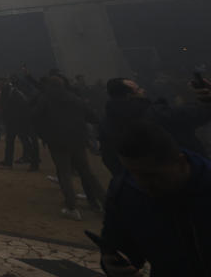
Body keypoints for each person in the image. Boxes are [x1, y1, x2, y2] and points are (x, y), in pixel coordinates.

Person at [98, 121, 211, 276]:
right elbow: (120, 245)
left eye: (151, 175)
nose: (142, 184)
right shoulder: (125, 192)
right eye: (133, 172)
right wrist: (112, 265)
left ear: (181, 162)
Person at [99, 76, 211, 176]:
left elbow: (109, 158)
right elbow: (196, 114)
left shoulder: (106, 124)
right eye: (138, 89)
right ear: (129, 95)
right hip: (180, 176)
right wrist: (205, 97)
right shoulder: (153, 113)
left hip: (143, 186)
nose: (143, 90)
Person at [31, 76, 106, 220]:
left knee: (64, 174)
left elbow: (34, 116)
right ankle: (106, 203)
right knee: (87, 173)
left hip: (57, 141)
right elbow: (93, 116)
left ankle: (72, 207)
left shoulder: (46, 99)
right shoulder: (75, 98)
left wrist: (45, 133)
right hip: (77, 140)